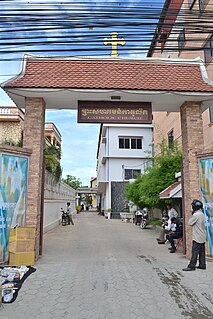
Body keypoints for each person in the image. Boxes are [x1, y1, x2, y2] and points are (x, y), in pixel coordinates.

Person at [182, 199, 206, 271]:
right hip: (202, 235)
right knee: (202, 251)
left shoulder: (196, 215)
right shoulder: (202, 214)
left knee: (194, 251)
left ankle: (191, 266)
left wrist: (191, 214)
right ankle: (202, 264)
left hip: (197, 236)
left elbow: (190, 223)